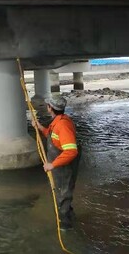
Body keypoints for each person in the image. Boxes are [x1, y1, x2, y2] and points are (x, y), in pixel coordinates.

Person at [33, 96, 81, 230]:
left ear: (50, 108)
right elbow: (51, 135)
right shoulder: (58, 122)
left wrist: (52, 165)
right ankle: (70, 217)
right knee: (60, 192)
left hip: (64, 166)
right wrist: (40, 127)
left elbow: (71, 151)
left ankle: (65, 226)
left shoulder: (63, 125)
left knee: (63, 193)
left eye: (48, 105)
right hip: (59, 165)